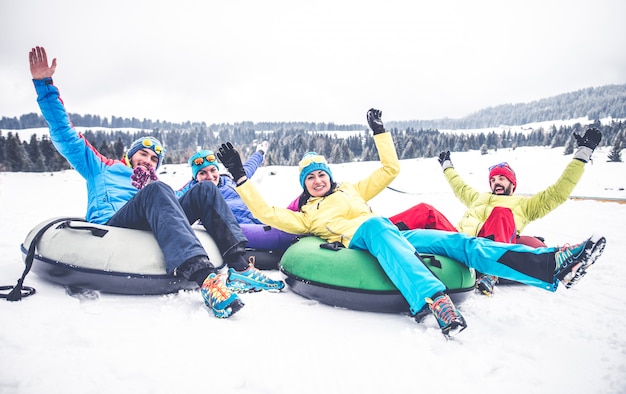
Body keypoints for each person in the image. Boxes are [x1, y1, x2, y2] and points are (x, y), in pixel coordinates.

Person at [216, 108, 607, 338]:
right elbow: (267, 214)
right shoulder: (306, 214)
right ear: (305, 186)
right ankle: (433, 299)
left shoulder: (351, 190)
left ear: (329, 176)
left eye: (321, 175)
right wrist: (240, 177)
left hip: (390, 233)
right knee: (375, 227)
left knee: (461, 245)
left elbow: (391, 168)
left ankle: (549, 265)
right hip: (361, 239)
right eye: (310, 178)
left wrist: (379, 132)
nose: (317, 181)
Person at [28, 46, 282, 319]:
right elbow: (64, 134)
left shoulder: (155, 184)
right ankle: (206, 281)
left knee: (205, 189)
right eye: (143, 154)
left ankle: (240, 268)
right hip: (115, 223)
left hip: (151, 217)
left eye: (154, 158)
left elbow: (176, 202)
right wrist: (44, 85)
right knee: (157, 190)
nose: (148, 161)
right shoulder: (101, 168)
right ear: (130, 155)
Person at [390, 129, 602, 296]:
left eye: (501, 178)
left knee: (501, 213)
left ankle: (489, 275)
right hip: (458, 243)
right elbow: (459, 186)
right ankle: (374, 233)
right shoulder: (478, 197)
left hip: (487, 253)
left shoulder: (524, 205)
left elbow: (558, 192)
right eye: (493, 179)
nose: (496, 182)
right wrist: (448, 166)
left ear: (512, 183)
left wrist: (582, 155)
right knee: (425, 210)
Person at [175, 144, 294, 282]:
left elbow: (249, 167)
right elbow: (170, 198)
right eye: (202, 173)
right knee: (287, 236)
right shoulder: (194, 190)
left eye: (213, 170)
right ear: (195, 176)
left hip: (258, 223)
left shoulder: (230, 180)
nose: (210, 176)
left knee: (292, 227)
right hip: (233, 231)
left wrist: (260, 152)